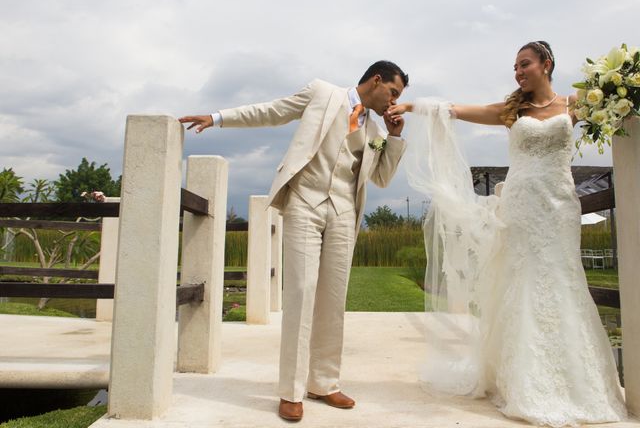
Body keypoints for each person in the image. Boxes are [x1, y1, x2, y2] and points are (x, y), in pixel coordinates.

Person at [388, 41, 627, 426]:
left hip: (560, 208)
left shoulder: (576, 104)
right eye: (515, 66)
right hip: (520, 208)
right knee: (524, 283)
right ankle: (524, 379)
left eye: (524, 64)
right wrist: (412, 106)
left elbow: (622, 99)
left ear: (546, 64)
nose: (518, 72)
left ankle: (575, 380)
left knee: (563, 282)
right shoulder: (511, 110)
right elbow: (456, 110)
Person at [179, 61, 408, 422]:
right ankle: (291, 390)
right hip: (305, 202)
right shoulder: (322, 92)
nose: (394, 102)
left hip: (344, 212)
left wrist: (394, 138)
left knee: (333, 299)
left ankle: (325, 383)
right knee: (301, 293)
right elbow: (272, 111)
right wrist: (217, 117)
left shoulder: (377, 129)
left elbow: (380, 178)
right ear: (376, 81)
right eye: (393, 93)